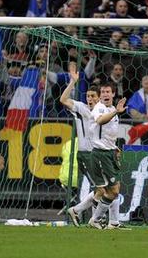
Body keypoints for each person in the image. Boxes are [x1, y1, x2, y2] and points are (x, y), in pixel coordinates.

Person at [59, 66, 104, 227]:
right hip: (86, 155)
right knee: (102, 188)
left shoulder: (102, 112)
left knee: (104, 189)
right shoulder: (81, 108)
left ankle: (78, 211)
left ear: (98, 98)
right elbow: (63, 100)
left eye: (93, 96)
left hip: (99, 154)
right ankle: (95, 219)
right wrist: (73, 82)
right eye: (88, 96)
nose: (89, 98)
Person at [88, 83, 127, 229]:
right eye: (103, 91)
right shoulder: (100, 108)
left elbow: (109, 133)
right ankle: (96, 219)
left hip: (110, 152)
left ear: (113, 94)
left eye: (108, 92)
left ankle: (102, 220)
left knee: (112, 190)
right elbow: (100, 120)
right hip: (100, 154)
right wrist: (116, 111)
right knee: (112, 190)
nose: (105, 94)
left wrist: (115, 147)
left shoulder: (112, 109)